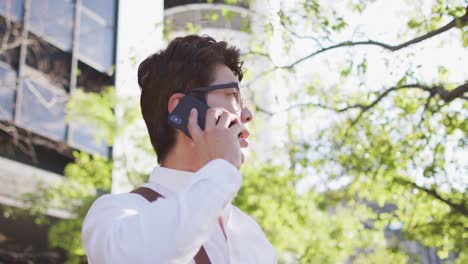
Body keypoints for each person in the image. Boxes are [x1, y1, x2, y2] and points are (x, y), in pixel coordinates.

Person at [81, 35, 277, 263]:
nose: (247, 114)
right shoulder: (115, 215)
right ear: (184, 110)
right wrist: (222, 167)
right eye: (233, 95)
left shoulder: (251, 234)